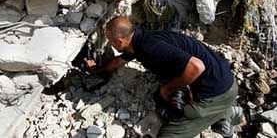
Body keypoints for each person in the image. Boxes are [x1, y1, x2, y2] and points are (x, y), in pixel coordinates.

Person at [86, 16, 242, 138]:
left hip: (217, 93)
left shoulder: (150, 48)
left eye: (110, 41)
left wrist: (168, 88)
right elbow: (119, 60)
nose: (110, 44)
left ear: (119, 41)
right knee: (164, 97)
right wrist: (98, 70)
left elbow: (196, 67)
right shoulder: (141, 40)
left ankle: (224, 112)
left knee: (168, 134)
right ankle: (225, 116)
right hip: (224, 79)